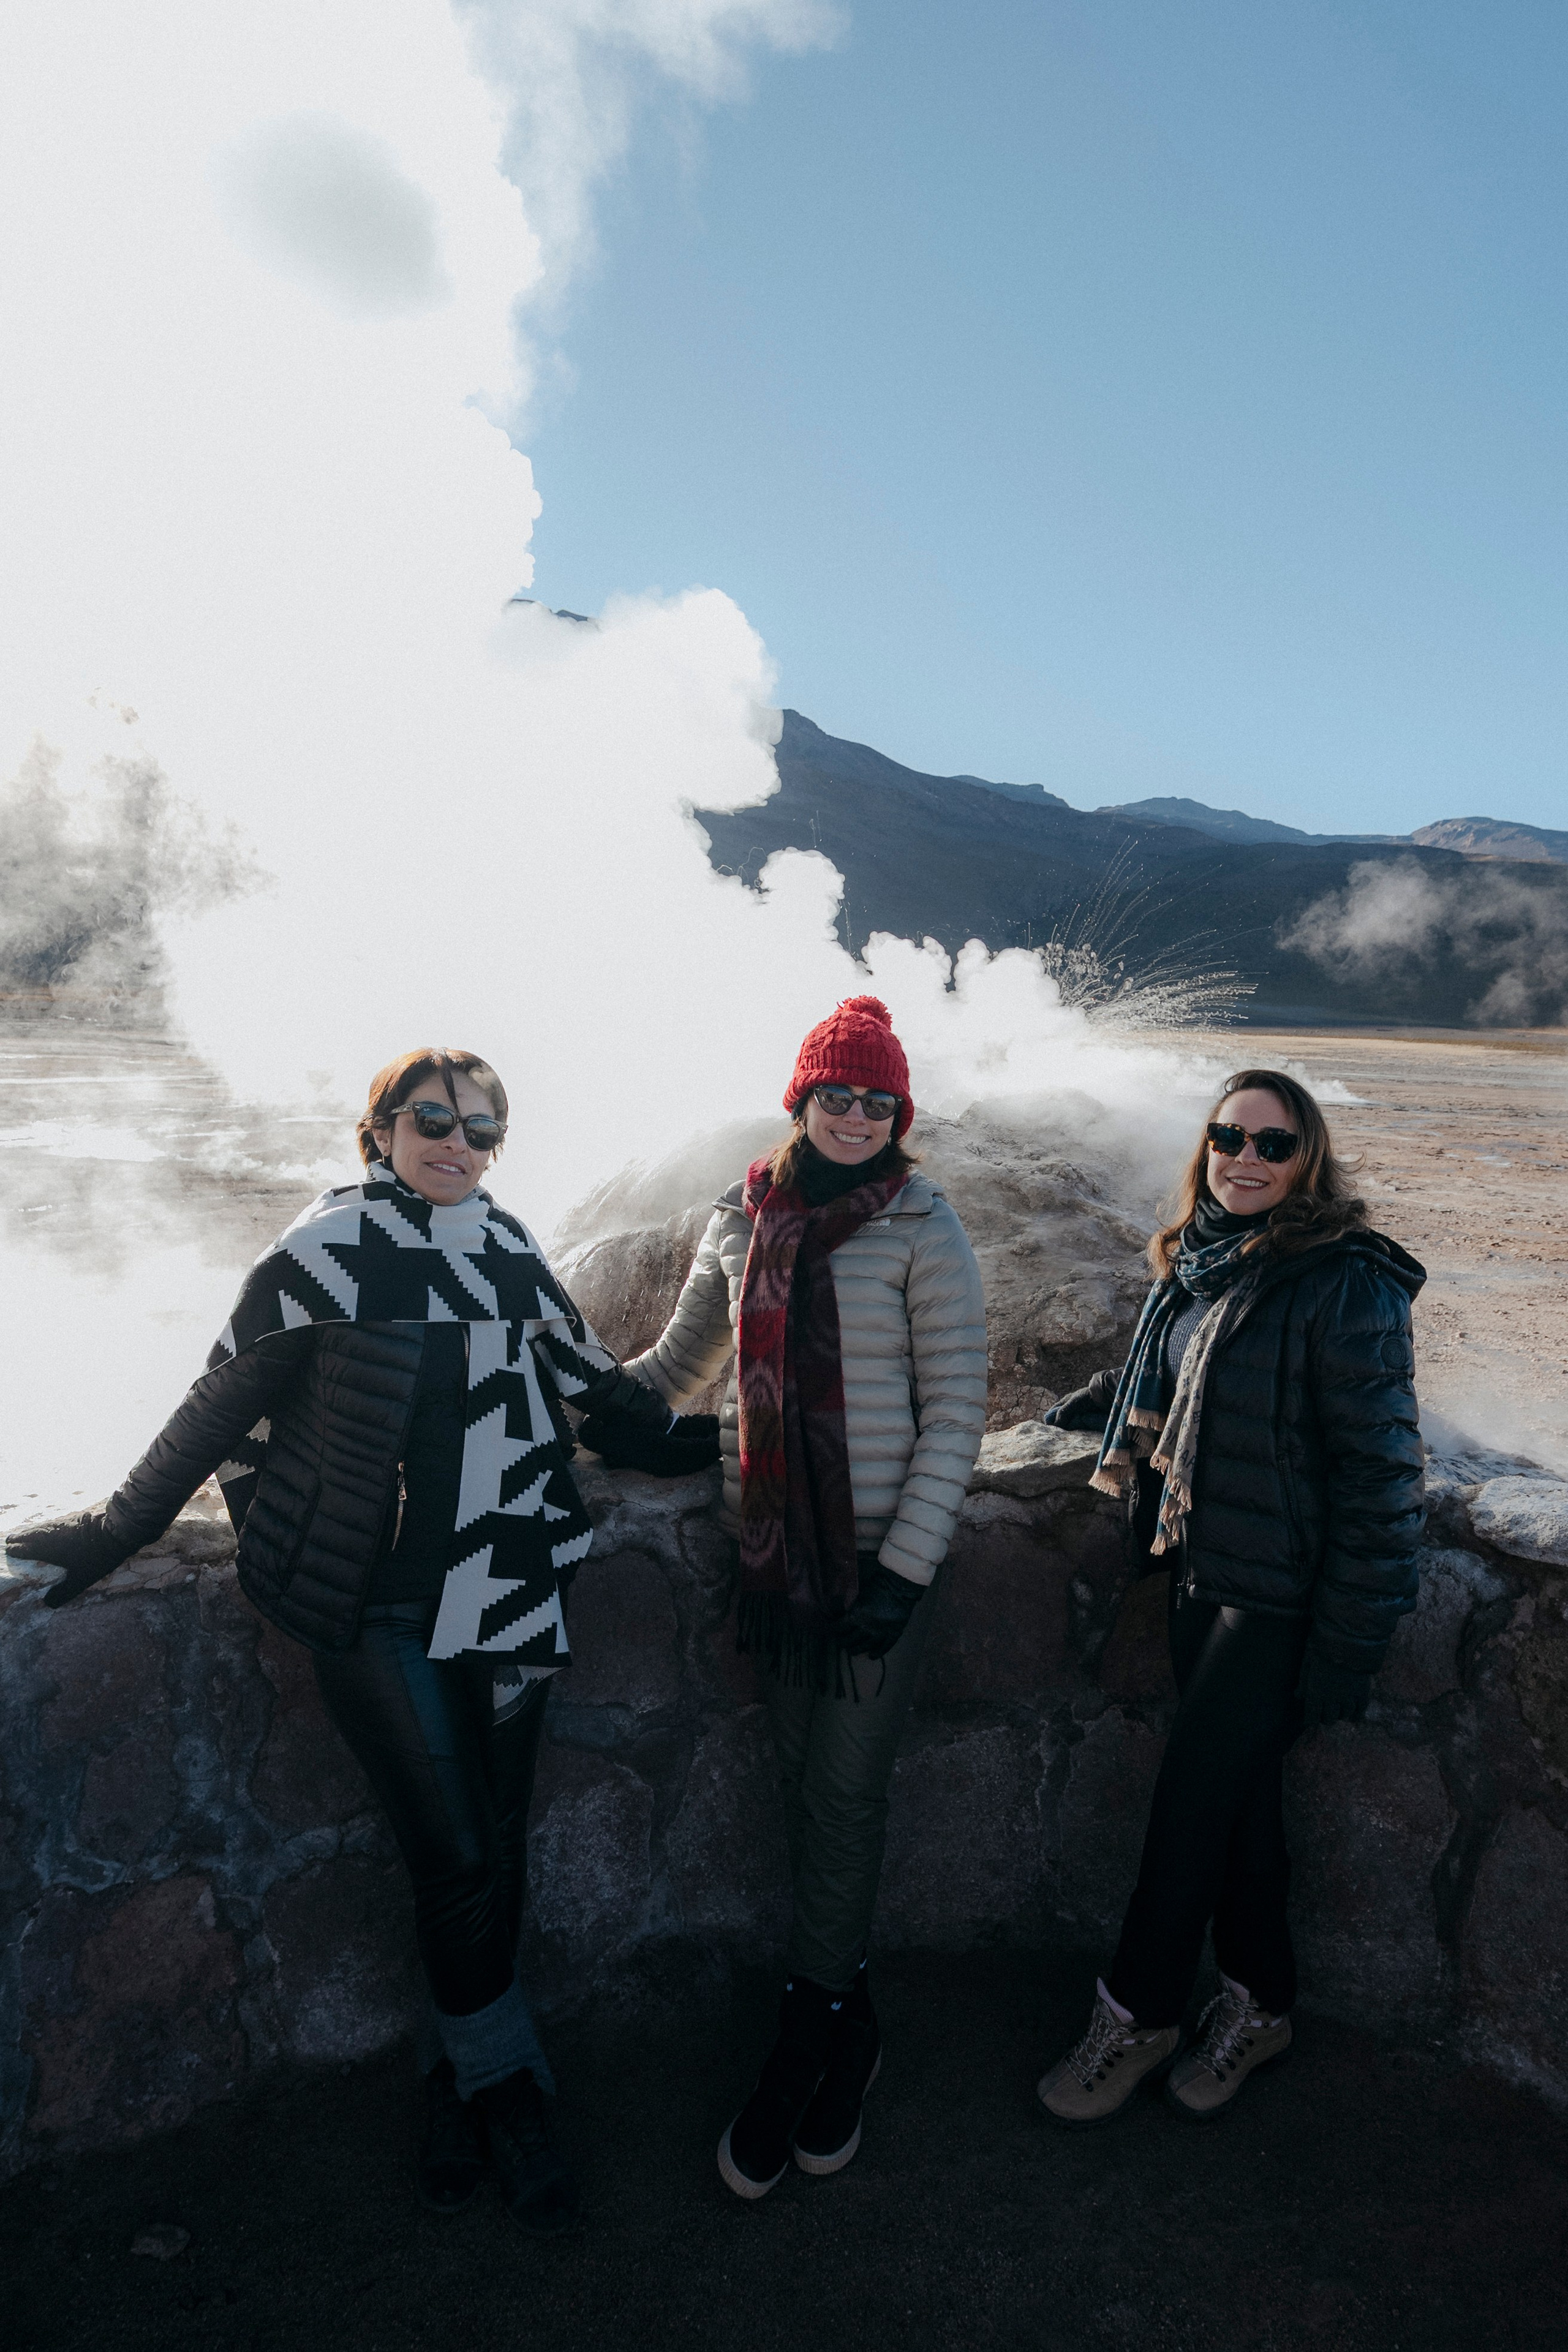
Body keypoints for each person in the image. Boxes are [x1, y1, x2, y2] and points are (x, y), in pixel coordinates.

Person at [9, 1047, 716, 2230]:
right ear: (378, 1129)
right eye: (433, 1120)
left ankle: (456, 2078)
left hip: (507, 1592)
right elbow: (217, 1403)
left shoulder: (507, 1249)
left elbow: (604, 1398)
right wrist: (114, 1528)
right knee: (457, 1858)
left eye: (482, 1131)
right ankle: (513, 2087)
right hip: (376, 1608)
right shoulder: (323, 1253)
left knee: (495, 1844)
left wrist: (736, 1449)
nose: (458, 1144)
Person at [612, 995, 987, 2197]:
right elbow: (675, 1370)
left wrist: (899, 1577)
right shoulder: (743, 1216)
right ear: (799, 1099)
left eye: (877, 1099)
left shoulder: (928, 1227)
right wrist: (542, 1411)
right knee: (796, 1788)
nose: (855, 1114)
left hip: (878, 1576)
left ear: (898, 1114)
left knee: (839, 1790)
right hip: (773, 1570)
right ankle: (848, 2022)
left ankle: (798, 2046)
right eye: (836, 1093)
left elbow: (954, 1421)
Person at [1035, 1068, 1425, 2125]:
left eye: (1273, 1144)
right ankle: (1263, 2006)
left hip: (1280, 1602)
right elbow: (1178, 1379)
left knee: (1188, 1811)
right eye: (1228, 1137)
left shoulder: (1343, 1284)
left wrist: (1348, 1649)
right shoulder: (1199, 1270)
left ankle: (1138, 2012)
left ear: (1310, 1162)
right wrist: (1096, 1407)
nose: (1244, 1159)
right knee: (1241, 1811)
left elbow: (1384, 1480)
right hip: (1203, 1576)